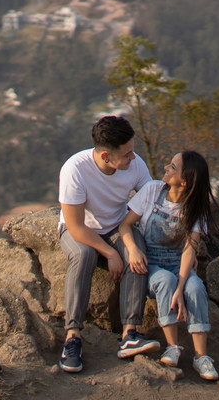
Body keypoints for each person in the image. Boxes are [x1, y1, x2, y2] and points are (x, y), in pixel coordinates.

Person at [57, 115, 161, 373]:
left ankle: (130, 334)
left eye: (132, 151)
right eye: (126, 155)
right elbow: (76, 226)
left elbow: (150, 200)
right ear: (105, 156)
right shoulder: (76, 169)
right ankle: (72, 337)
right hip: (81, 230)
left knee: (135, 253)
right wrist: (108, 253)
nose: (133, 158)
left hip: (117, 225)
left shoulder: (134, 165)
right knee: (84, 256)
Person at [119, 150, 219, 381]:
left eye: (173, 167)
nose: (166, 167)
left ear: (184, 181)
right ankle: (172, 346)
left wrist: (181, 287)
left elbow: (189, 250)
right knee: (164, 281)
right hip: (151, 263)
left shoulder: (195, 208)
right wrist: (133, 250)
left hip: (179, 264)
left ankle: (201, 356)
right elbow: (125, 226)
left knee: (194, 288)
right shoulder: (152, 190)